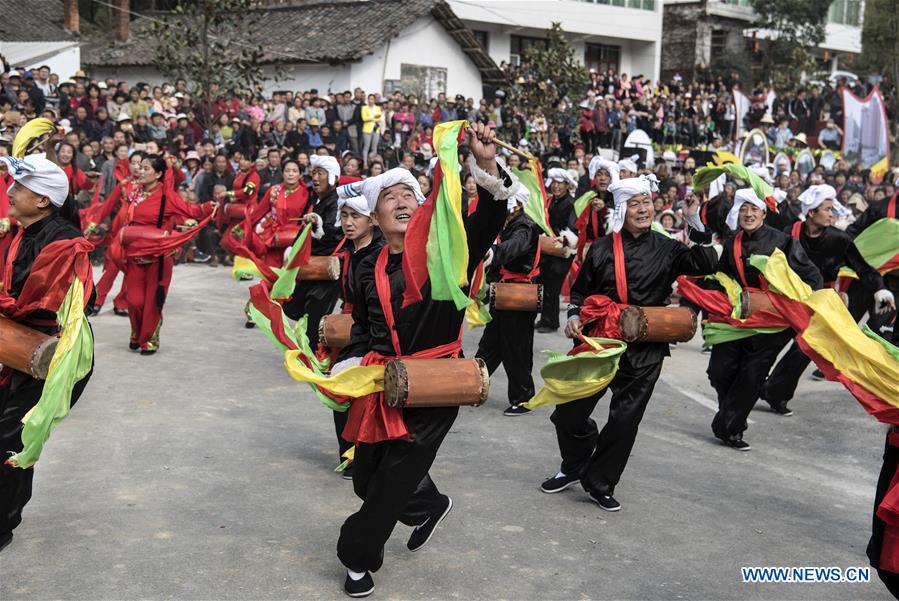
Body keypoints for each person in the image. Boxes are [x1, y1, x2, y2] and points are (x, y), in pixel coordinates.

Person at [331, 123, 515, 597]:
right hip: (385, 381)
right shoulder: (365, 267)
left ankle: (357, 559)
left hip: (436, 383)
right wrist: (348, 361)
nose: (402, 201)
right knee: (366, 476)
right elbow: (367, 329)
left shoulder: (448, 253)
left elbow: (489, 219)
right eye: (389, 196)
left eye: (410, 193)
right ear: (373, 215)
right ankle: (428, 504)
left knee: (389, 482)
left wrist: (487, 166)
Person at [541, 176, 719, 511]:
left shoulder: (668, 247)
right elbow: (579, 291)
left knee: (624, 421)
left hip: (645, 347)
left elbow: (706, 264)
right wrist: (574, 315)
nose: (643, 209)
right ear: (623, 209)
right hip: (601, 341)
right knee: (568, 414)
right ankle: (575, 464)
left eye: (647, 202)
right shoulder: (603, 248)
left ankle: (600, 481)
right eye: (635, 203)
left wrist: (695, 221)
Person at [0, 153, 94, 552]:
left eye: (20, 187)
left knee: (13, 436)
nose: (10, 190)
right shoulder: (20, 230)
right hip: (17, 344)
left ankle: (3, 523)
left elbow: (28, 301)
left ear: (42, 200)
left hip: (53, 351)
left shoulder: (64, 243)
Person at [761, 185, 894, 415]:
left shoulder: (839, 239)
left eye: (833, 209)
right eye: (827, 209)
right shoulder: (788, 233)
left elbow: (864, 269)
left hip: (820, 304)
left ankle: (776, 393)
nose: (833, 214)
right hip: (786, 299)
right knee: (767, 347)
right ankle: (750, 386)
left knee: (805, 350)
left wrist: (880, 290)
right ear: (811, 213)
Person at [706, 188, 822, 450]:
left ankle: (731, 428)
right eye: (744, 208)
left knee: (751, 375)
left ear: (764, 212)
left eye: (754, 209)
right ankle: (728, 418)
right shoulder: (732, 242)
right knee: (719, 371)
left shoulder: (783, 242)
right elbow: (721, 278)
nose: (748, 214)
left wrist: (810, 299)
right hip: (738, 317)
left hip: (772, 322)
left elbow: (809, 274)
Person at [121, 155, 215, 354]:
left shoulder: (167, 196)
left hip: (159, 255)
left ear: (158, 174)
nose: (141, 171)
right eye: (140, 167)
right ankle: (137, 332)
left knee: (153, 301)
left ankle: (149, 339)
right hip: (135, 253)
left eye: (146, 168)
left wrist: (207, 208)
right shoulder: (134, 192)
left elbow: (190, 210)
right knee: (134, 300)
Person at [327, 191, 383, 477]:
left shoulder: (379, 255)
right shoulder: (353, 251)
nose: (348, 223)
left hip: (374, 337)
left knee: (357, 395)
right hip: (356, 332)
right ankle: (350, 455)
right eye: (345, 216)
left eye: (355, 216)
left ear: (372, 219)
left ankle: (358, 457)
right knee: (342, 393)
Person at [475, 185, 540, 416]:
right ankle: (473, 385)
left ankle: (523, 398)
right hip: (502, 293)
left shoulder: (525, 225)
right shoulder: (507, 223)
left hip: (519, 296)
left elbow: (515, 247)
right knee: (491, 343)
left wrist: (494, 252)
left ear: (518, 204)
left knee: (516, 348)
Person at [281, 154, 344, 351]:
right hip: (314, 265)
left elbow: (333, 233)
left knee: (315, 308)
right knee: (298, 306)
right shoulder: (320, 200)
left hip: (327, 267)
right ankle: (311, 350)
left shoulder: (336, 202)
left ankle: (316, 353)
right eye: (314, 173)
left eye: (321, 173)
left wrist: (317, 222)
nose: (315, 177)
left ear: (332, 177)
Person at [87, 150, 145, 315]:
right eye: (133, 163)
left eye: (141, 165)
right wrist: (94, 222)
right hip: (120, 233)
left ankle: (121, 302)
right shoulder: (124, 184)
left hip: (139, 234)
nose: (136, 167)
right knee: (112, 266)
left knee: (132, 270)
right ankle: (96, 300)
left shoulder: (150, 189)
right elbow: (107, 205)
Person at [534, 168, 578, 333]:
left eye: (560, 183)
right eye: (554, 183)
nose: (556, 186)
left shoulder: (571, 203)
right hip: (548, 250)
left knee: (552, 288)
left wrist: (564, 238)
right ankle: (545, 319)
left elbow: (573, 228)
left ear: (567, 185)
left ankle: (551, 322)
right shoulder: (551, 201)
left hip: (562, 252)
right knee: (544, 285)